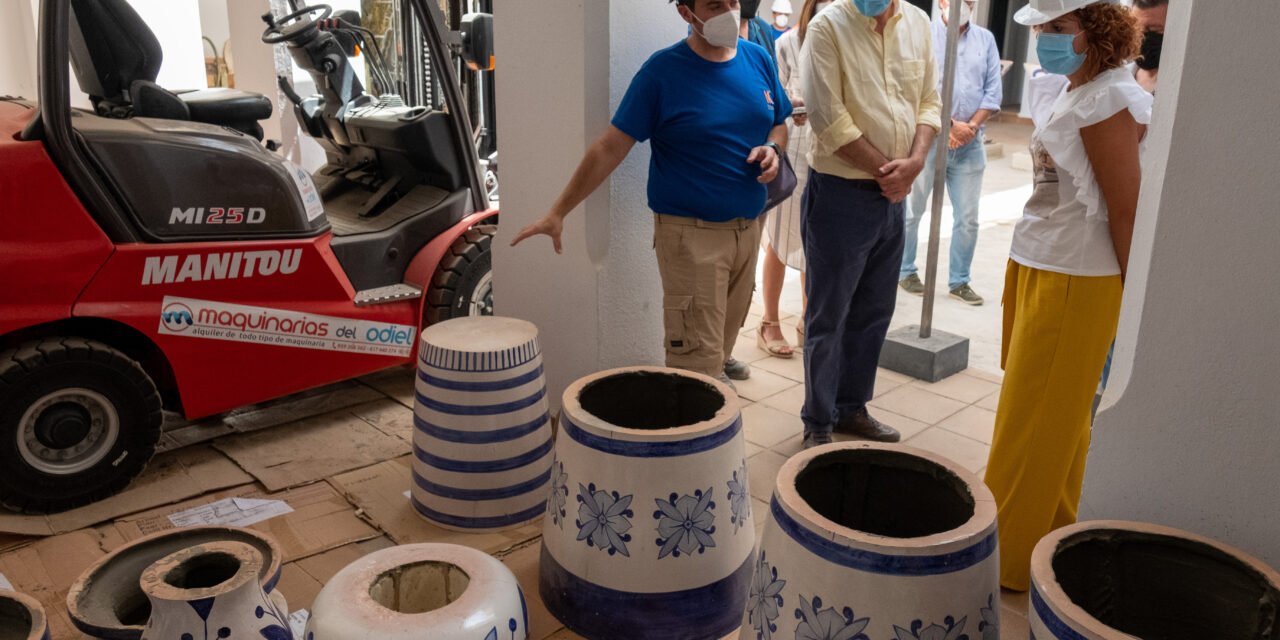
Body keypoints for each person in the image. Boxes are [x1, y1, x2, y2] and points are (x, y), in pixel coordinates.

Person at [510, 0, 791, 389]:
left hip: (748, 231)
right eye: (715, 5)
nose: (729, 12)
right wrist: (558, 212)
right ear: (686, 13)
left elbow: (779, 122)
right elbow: (610, 147)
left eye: (732, 1)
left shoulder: (757, 58)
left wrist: (774, 148)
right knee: (697, 372)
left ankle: (708, 419)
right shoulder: (662, 73)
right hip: (692, 238)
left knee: (718, 359)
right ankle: (693, 426)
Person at [983, 0, 1151, 591]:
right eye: (1041, 28)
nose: (1044, 38)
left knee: (1035, 426)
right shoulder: (1079, 89)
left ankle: (1003, 561)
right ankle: (1050, 538)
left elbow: (1126, 209)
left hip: (1076, 277)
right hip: (1045, 261)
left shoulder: (1110, 99)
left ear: (1096, 29)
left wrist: (1133, 300)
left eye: (1058, 28)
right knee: (1051, 420)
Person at [798, 0, 941, 448]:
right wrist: (889, 173)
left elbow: (929, 101)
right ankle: (819, 420)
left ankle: (851, 407)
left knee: (874, 311)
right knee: (829, 315)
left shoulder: (917, 22)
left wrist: (916, 162)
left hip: (894, 195)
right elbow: (829, 119)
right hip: (841, 194)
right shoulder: (827, 28)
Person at [898, 0, 1002, 306]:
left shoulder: (985, 39)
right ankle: (905, 271)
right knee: (913, 211)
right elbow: (917, 90)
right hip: (928, 139)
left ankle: (960, 281)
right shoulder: (924, 35)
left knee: (968, 217)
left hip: (970, 143)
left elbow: (993, 91)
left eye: (969, 1)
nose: (963, 4)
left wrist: (970, 127)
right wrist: (951, 125)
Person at [756, 0, 831, 360]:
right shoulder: (787, 43)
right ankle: (769, 321)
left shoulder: (845, 41)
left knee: (817, 243)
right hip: (795, 153)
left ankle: (807, 318)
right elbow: (772, 96)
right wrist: (793, 104)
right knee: (781, 239)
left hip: (831, 155)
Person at [1132, 0, 1167, 92]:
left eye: (1155, 29)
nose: (1142, 37)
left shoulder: (1183, 80)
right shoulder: (1117, 80)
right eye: (1137, 29)